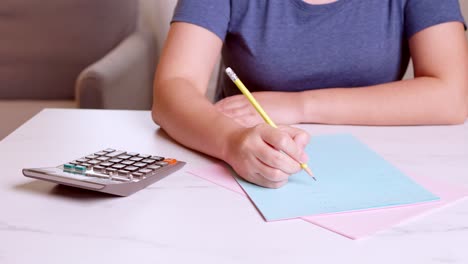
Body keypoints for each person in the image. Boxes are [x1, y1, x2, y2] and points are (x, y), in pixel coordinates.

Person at [152, 0, 468, 188]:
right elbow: (173, 88)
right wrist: (231, 143)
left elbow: (451, 96)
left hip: (379, 169)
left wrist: (299, 105)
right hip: (252, 167)